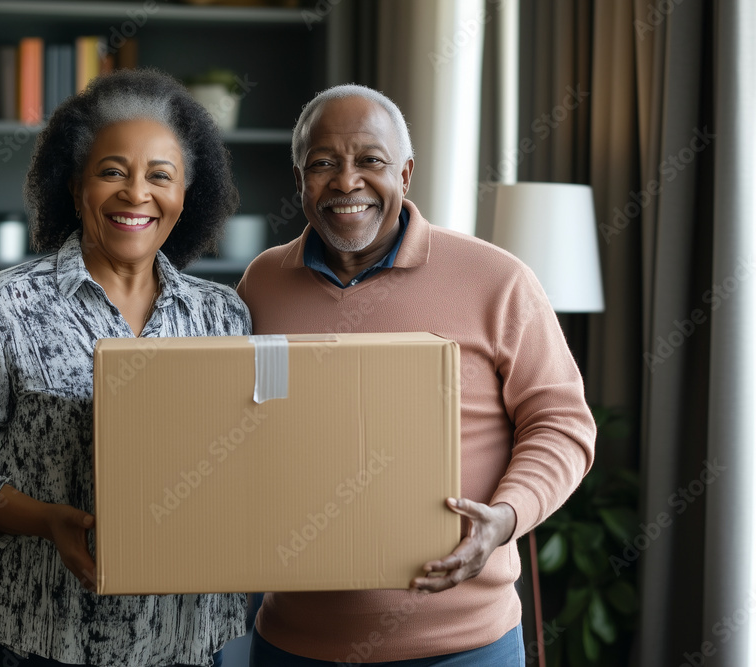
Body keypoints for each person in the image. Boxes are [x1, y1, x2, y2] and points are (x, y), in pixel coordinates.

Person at [236, 85, 597, 666]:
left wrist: (505, 518)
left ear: (405, 172)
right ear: (300, 176)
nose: (346, 181)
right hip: (293, 642)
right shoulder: (263, 282)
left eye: (369, 161)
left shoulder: (496, 280)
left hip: (462, 645)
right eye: (323, 163)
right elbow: (244, 423)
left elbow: (562, 425)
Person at [0, 68, 251, 667]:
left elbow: (248, 460)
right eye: (112, 172)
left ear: (186, 195)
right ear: (76, 188)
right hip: (30, 633)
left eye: (160, 176)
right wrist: (47, 521)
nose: (136, 193)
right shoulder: (5, 306)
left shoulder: (223, 316)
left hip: (184, 640)